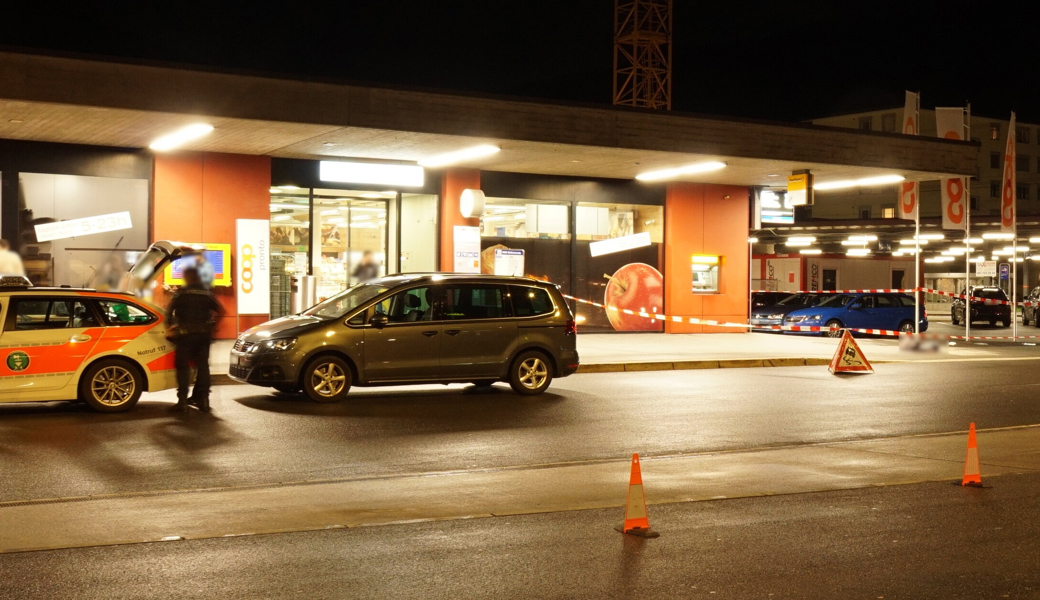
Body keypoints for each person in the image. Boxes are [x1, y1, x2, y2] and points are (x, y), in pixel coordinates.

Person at [166, 266, 223, 412]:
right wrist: (214, 325)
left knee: (183, 367)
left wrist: (171, 326)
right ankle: (204, 401)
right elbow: (221, 310)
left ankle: (183, 402)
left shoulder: (181, 293)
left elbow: (168, 312)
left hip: (185, 335)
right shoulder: (206, 293)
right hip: (204, 335)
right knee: (203, 367)